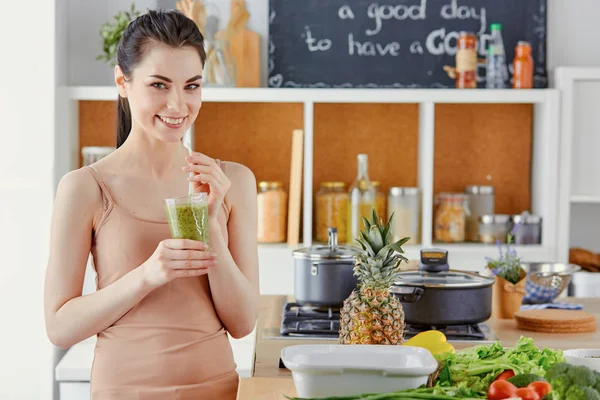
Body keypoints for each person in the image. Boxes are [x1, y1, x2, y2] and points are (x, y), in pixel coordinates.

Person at [44, 9, 259, 399]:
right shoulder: (85, 188)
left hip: (216, 390)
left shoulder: (233, 183)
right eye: (159, 85)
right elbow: (60, 326)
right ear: (122, 82)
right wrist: (146, 275)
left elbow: (242, 322)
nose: (178, 105)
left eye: (191, 86)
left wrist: (212, 229)